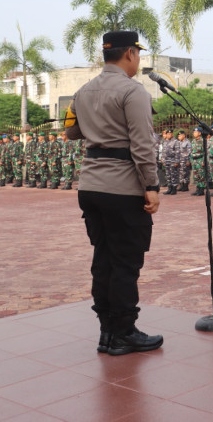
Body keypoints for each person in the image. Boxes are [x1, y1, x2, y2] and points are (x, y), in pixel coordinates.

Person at [66, 31, 163, 356]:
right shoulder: (132, 92)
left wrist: (98, 123)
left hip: (90, 185)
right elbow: (143, 144)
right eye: (138, 53)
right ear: (131, 54)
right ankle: (123, 332)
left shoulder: (82, 91)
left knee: (104, 259)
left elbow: (71, 132)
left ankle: (107, 332)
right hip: (122, 188)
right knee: (125, 262)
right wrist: (151, 186)